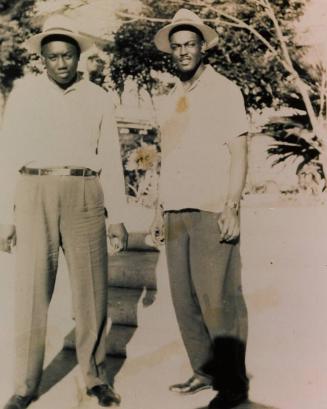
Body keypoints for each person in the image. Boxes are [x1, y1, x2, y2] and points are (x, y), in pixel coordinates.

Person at [0, 14, 128, 409]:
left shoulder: (98, 97)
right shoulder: (23, 94)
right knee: (32, 291)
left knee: (91, 291)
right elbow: (8, 155)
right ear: (42, 58)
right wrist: (5, 215)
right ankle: (25, 385)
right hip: (34, 189)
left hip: (85, 190)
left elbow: (110, 155)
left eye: (68, 55)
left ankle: (95, 377)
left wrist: (117, 215)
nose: (61, 63)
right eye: (53, 56)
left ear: (79, 57)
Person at [151, 9, 249, 409]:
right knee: (184, 297)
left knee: (218, 299)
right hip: (175, 210)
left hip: (211, 208)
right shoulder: (170, 96)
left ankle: (233, 384)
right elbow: (166, 158)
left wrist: (232, 205)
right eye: (176, 47)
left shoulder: (226, 91)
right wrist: (158, 210)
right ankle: (203, 370)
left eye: (190, 44)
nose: (183, 52)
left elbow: (240, 151)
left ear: (203, 47)